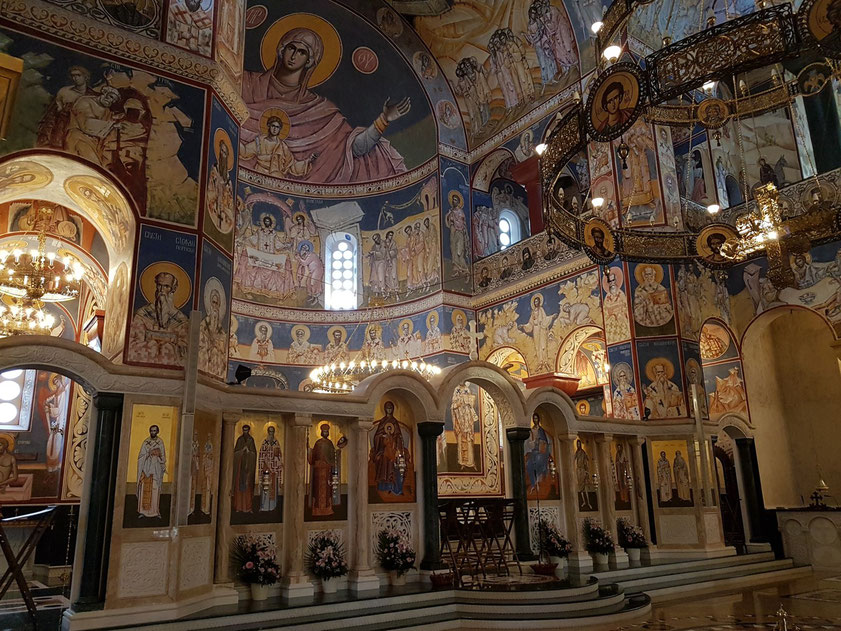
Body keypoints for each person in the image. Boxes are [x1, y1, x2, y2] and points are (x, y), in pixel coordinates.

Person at [241, 27, 410, 184]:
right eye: (291, 48)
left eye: (302, 52)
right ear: (281, 50)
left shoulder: (321, 110)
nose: (293, 56)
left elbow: (352, 150)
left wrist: (383, 120)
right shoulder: (246, 83)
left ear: (309, 61)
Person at [128, 271, 190, 366]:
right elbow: (133, 344)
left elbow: (186, 350)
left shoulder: (181, 320)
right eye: (159, 285)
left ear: (173, 289)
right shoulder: (143, 314)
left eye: (166, 286)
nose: (162, 290)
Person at [307, 424, 347, 517]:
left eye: (327, 431)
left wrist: (337, 452)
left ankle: (327, 509)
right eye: (324, 431)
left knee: (327, 491)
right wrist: (309, 450)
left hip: (327, 471)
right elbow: (312, 458)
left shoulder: (329, 443)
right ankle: (317, 510)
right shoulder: (318, 443)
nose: (325, 433)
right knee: (317, 491)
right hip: (318, 472)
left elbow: (333, 457)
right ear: (321, 432)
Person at [371, 402, 408, 496]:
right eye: (387, 408)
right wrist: (382, 437)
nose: (389, 410)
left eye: (390, 408)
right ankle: (384, 486)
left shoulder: (394, 422)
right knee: (383, 458)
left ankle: (395, 487)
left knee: (396, 462)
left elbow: (399, 436)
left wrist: (394, 439)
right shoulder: (383, 421)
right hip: (383, 449)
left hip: (394, 449)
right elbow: (376, 436)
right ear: (384, 409)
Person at [137, 425, 166, 518]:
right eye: (151, 431)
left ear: (157, 431)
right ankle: (143, 511)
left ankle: (155, 511)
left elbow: (163, 458)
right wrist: (149, 453)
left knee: (155, 490)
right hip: (146, 469)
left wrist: (159, 454)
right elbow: (141, 457)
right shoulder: (146, 442)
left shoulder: (160, 442)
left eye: (155, 431)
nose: (153, 432)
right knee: (144, 490)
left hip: (156, 470)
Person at [521, 295, 557, 373]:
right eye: (535, 301)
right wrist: (524, 326)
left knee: (543, 346)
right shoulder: (533, 312)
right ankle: (540, 363)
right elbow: (530, 323)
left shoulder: (541, 310)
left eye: (537, 301)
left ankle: (546, 362)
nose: (536, 302)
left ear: (539, 302)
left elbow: (544, 319)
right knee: (537, 346)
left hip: (541, 329)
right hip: (536, 329)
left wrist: (551, 317)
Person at [206, 138, 234, 234]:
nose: (223, 154)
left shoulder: (227, 175)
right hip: (215, 201)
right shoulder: (214, 168)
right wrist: (218, 183)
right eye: (222, 151)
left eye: (225, 153)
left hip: (223, 204)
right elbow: (210, 187)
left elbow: (229, 196)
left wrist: (226, 187)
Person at [198, 286, 227, 378]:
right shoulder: (205, 322)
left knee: (217, 354)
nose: (215, 306)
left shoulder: (220, 327)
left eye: (217, 303)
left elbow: (223, 340)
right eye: (213, 303)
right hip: (205, 350)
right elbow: (200, 335)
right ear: (210, 303)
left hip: (214, 353)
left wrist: (217, 343)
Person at [451, 384, 479, 469]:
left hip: (468, 420)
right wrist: (458, 404)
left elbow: (471, 404)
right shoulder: (457, 389)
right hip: (460, 419)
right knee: (461, 440)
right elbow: (453, 406)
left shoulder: (467, 389)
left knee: (469, 440)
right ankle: (462, 461)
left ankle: (470, 461)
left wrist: (469, 402)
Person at [232, 424, 257, 512]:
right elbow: (235, 453)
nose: (245, 432)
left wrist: (249, 451)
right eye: (244, 430)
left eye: (246, 430)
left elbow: (254, 454)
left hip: (248, 467)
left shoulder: (251, 440)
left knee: (247, 486)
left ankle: (248, 507)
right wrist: (242, 450)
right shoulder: (239, 440)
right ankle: (238, 507)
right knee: (239, 487)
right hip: (240, 467)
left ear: (249, 430)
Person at [258, 426, 283, 511]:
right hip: (266, 469)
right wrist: (265, 463)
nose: (271, 434)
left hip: (274, 469)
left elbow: (279, 455)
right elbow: (261, 455)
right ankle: (264, 506)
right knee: (266, 487)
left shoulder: (276, 443)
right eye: (270, 432)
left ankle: (272, 506)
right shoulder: (265, 442)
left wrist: (278, 459)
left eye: (272, 432)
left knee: (273, 488)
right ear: (268, 432)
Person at [525, 413, 550, 494]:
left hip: (541, 452)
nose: (535, 420)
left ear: (538, 420)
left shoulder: (541, 430)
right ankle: (533, 484)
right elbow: (529, 442)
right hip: (533, 451)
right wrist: (532, 442)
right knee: (529, 464)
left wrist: (539, 442)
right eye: (534, 419)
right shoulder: (531, 430)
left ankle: (538, 479)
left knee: (539, 460)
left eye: (536, 418)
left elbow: (545, 442)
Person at [445, 192, 469, 274]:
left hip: (459, 232)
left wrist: (454, 221)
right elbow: (448, 223)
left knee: (459, 251)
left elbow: (462, 223)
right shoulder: (451, 212)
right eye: (452, 200)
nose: (453, 201)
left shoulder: (460, 212)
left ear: (458, 202)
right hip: (453, 232)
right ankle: (456, 269)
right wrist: (448, 216)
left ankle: (465, 269)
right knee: (453, 250)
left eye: (455, 200)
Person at [574, 439, 592, 509]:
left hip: (583, 470)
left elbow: (587, 460)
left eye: (579, 444)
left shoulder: (583, 452)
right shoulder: (576, 452)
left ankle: (588, 502)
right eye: (577, 444)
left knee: (585, 487)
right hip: (578, 471)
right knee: (581, 487)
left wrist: (587, 470)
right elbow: (573, 459)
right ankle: (583, 501)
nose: (578, 445)